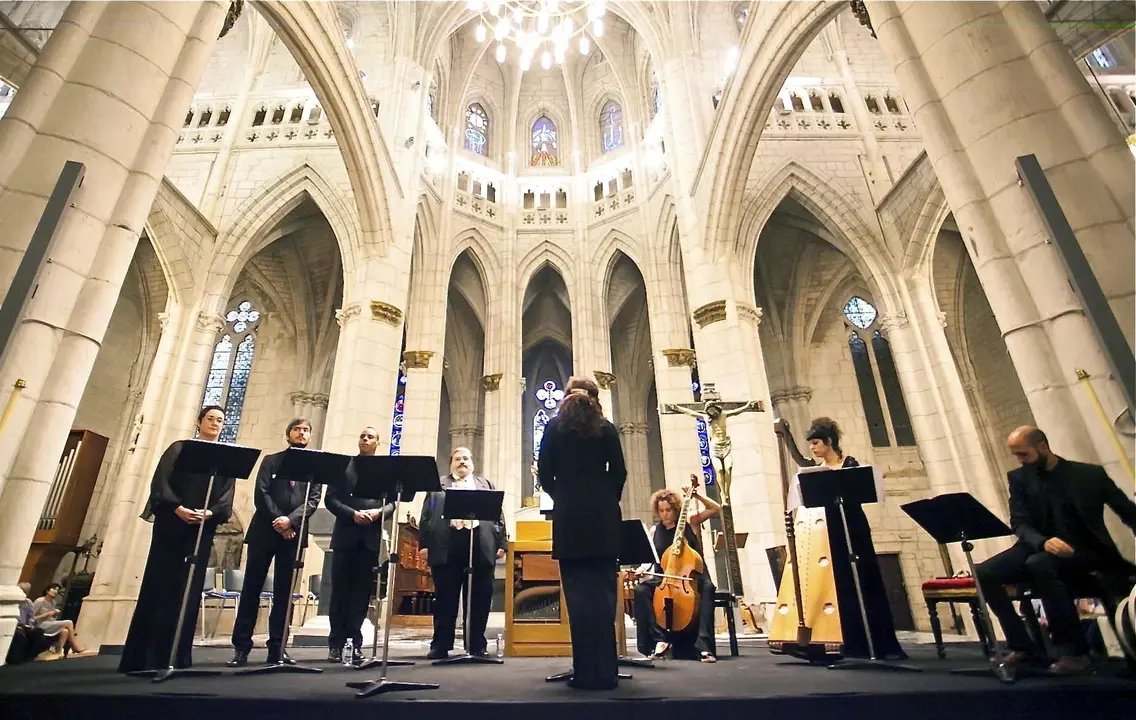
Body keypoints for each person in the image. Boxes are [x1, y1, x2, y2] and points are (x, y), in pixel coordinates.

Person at [976, 425, 1136, 675]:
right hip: (1038, 545)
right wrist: (1042, 542)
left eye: (1023, 454)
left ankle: (1073, 652)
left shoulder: (1089, 475)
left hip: (1084, 549)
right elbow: (1019, 522)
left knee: (1040, 564)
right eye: (1016, 456)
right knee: (984, 572)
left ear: (1042, 447)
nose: (1020, 460)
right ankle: (1024, 647)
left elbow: (1127, 510)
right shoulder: (1019, 478)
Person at [118, 405, 236, 673]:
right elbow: (161, 483)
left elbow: (226, 495)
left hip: (200, 529)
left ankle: (177, 656)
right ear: (198, 422)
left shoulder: (227, 458)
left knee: (188, 590)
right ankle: (145, 658)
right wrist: (177, 508)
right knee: (161, 585)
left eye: (220, 420)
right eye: (210, 419)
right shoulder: (180, 448)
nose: (215, 424)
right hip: (172, 525)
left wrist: (211, 512)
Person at [537, 376, 627, 690]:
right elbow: (619, 473)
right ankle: (607, 672)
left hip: (570, 517)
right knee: (604, 597)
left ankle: (585, 671)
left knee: (577, 599)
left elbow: (544, 473)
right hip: (603, 517)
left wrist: (563, 496)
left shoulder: (554, 429)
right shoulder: (606, 428)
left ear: (565, 399)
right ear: (596, 398)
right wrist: (604, 498)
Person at [805, 416, 905, 660]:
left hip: (854, 528)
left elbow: (857, 496)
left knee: (867, 581)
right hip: (833, 531)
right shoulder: (816, 473)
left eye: (816, 442)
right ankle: (853, 643)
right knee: (843, 584)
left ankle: (881, 643)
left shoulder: (850, 465)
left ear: (829, 442)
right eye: (810, 444)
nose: (812, 448)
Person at [229, 417, 322, 666]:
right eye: (297, 429)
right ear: (288, 434)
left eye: (306, 430)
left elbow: (312, 500)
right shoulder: (271, 460)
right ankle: (241, 647)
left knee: (284, 593)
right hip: (265, 531)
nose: (302, 433)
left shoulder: (314, 467)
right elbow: (262, 493)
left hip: (293, 535)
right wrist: (279, 520)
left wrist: (290, 521)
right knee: (252, 589)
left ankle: (277, 648)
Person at [418, 447, 505, 660]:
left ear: (472, 462)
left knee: (480, 597)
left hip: (480, 543)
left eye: (466, 458)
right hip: (447, 543)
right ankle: (441, 645)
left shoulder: (485, 485)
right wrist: (424, 545)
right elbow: (426, 516)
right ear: (451, 463)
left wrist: (501, 543)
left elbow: (498, 516)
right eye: (457, 459)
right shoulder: (437, 485)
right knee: (445, 597)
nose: (462, 462)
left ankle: (476, 645)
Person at [632, 476, 721, 662]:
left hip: (691, 577)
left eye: (668, 510)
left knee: (708, 588)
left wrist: (696, 495)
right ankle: (659, 641)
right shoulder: (654, 531)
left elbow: (715, 508)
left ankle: (704, 646)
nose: (664, 514)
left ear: (675, 509)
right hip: (665, 576)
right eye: (661, 510)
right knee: (641, 590)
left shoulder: (690, 521)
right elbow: (651, 559)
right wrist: (640, 570)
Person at [325, 426, 393, 664]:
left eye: (370, 436)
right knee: (340, 592)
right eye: (362, 435)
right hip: (346, 534)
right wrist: (352, 514)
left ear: (377, 443)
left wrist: (377, 513)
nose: (365, 439)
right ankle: (335, 643)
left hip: (369, 538)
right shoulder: (344, 466)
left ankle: (355, 643)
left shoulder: (384, 470)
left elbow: (392, 502)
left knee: (361, 594)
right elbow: (330, 498)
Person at [31, 583, 88, 657]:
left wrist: (54, 614)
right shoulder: (40, 601)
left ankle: (59, 652)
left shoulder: (53, 602)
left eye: (57, 590)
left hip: (50, 623)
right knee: (69, 622)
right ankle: (75, 646)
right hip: (41, 624)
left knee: (65, 631)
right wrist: (46, 614)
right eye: (54, 589)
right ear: (47, 590)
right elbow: (31, 617)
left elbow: (51, 617)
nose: (55, 591)